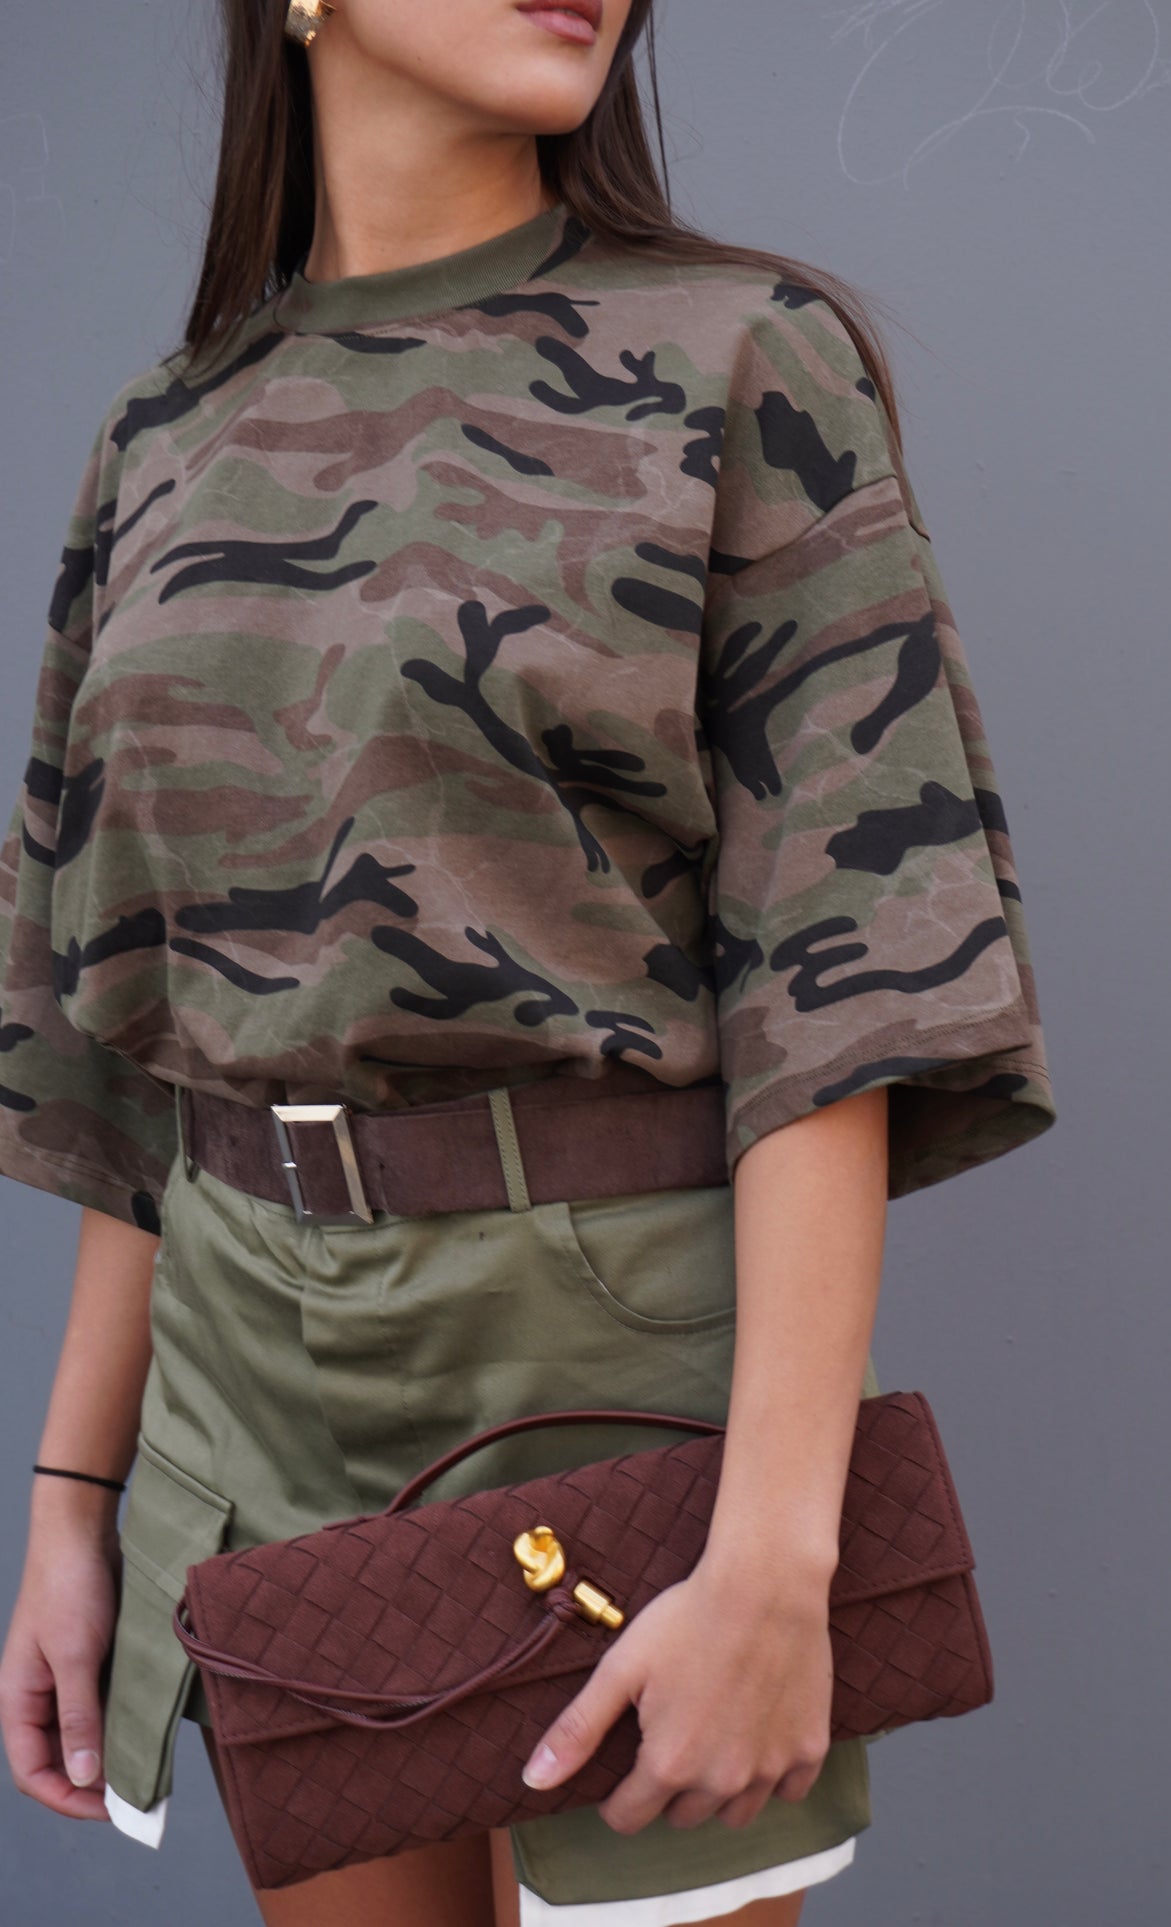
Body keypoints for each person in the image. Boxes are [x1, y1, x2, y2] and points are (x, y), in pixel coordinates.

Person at [0, 1, 1057, 1921]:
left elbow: (840, 990)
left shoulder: (738, 351)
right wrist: (73, 1505)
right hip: (243, 1371)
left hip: (613, 1370)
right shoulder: (162, 433)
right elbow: (137, 1036)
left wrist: (777, 1554)